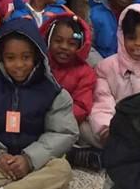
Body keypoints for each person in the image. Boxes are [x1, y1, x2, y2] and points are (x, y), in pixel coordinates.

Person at [0, 19, 78, 189]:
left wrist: (29, 159)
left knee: (62, 170)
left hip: (36, 163)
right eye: (10, 58)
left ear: (37, 56)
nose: (18, 65)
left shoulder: (52, 91)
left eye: (26, 57)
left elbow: (63, 132)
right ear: (0, 57)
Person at [87, 4, 140, 150]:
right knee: (83, 128)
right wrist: (107, 130)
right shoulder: (106, 68)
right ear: (122, 37)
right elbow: (102, 103)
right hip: (110, 130)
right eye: (131, 38)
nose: (138, 44)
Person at [41, 15, 100, 170]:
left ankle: (69, 154)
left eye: (72, 43)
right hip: (34, 117)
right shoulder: (39, 63)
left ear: (80, 46)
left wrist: (53, 117)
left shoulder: (85, 72)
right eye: (58, 41)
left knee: (79, 132)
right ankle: (69, 155)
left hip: (64, 122)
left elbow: (81, 107)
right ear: (48, 40)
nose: (64, 47)